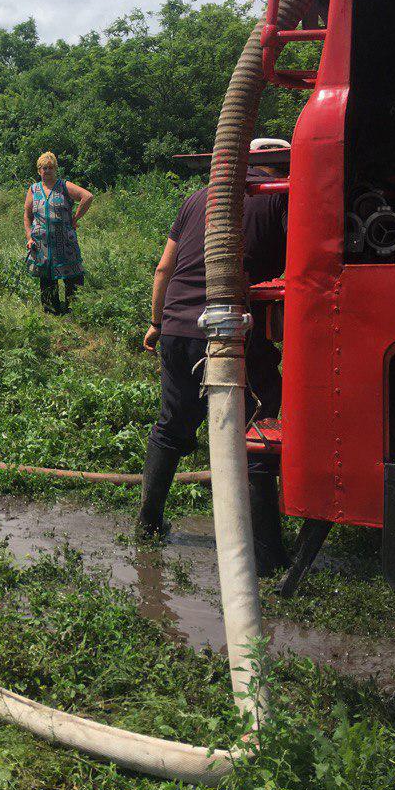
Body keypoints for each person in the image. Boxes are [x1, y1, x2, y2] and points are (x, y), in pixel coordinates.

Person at [137, 137, 290, 575]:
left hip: (180, 327)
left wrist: (156, 322)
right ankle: (267, 558)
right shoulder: (280, 198)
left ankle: (147, 525)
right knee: (257, 431)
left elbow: (164, 268)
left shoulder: (197, 198)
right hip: (237, 334)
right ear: (281, 168)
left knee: (171, 424)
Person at [24, 152, 93, 314]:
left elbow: (87, 196)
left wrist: (75, 218)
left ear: (56, 169)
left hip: (66, 243)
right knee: (46, 279)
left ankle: (74, 309)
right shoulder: (33, 189)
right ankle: (51, 311)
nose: (47, 171)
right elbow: (27, 215)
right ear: (38, 170)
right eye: (43, 168)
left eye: (50, 167)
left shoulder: (64, 186)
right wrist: (29, 237)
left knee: (73, 278)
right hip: (42, 245)